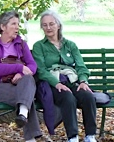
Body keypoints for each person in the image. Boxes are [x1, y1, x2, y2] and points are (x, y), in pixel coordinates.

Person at [32, 10, 97, 142]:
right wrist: (56, 83)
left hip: (72, 81)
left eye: (51, 24)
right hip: (51, 84)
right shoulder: (39, 46)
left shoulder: (70, 45)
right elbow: (41, 70)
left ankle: (90, 136)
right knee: (68, 98)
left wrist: (83, 81)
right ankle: (72, 137)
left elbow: (80, 66)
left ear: (58, 25)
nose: (48, 28)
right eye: (44, 25)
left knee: (88, 96)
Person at [0, 10, 42, 142]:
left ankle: (23, 114)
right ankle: (29, 134)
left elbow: (32, 65)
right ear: (3, 27)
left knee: (28, 79)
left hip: (20, 84)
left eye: (18, 24)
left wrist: (21, 73)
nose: (17, 27)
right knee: (26, 98)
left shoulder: (21, 44)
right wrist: (20, 67)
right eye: (13, 24)